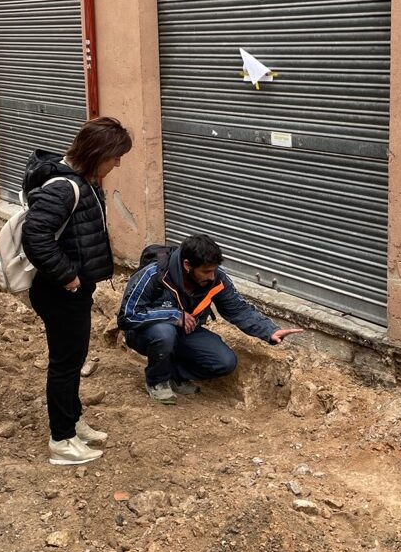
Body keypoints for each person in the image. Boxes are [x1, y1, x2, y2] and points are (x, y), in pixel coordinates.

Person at [22, 116, 132, 465]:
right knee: (65, 364)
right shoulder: (63, 187)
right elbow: (35, 237)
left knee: (73, 359)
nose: (118, 164)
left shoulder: (83, 179)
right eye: (114, 156)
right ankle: (62, 441)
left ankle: (73, 421)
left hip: (72, 290)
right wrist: (69, 277)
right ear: (96, 152)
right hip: (60, 291)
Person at [117, 234, 302, 404]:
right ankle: (157, 381)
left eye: (214, 270)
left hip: (186, 332)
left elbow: (238, 309)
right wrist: (173, 316)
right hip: (147, 333)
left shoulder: (216, 279)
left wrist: (269, 331)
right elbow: (127, 316)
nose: (211, 276)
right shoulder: (153, 274)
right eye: (206, 271)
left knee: (224, 362)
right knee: (164, 332)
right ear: (188, 265)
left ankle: (174, 375)